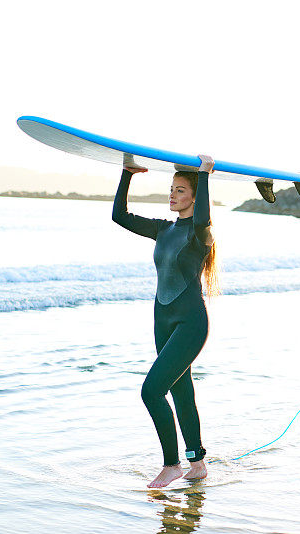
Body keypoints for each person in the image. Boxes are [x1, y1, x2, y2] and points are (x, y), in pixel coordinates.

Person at [112, 155, 218, 488]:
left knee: (151, 391)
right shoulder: (163, 228)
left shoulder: (201, 233)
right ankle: (197, 463)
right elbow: (120, 216)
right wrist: (127, 175)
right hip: (162, 320)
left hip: (190, 323)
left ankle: (172, 464)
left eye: (181, 191)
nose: (172, 195)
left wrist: (204, 174)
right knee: (180, 391)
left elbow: (203, 217)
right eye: (172, 189)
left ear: (194, 196)